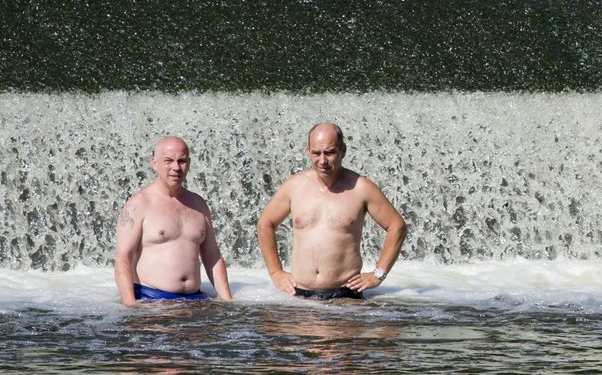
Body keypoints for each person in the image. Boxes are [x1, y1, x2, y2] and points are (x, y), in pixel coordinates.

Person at [257, 122, 407, 300]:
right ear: (308, 150)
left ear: (343, 150)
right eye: (316, 153)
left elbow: (397, 226)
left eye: (329, 152)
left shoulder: (361, 187)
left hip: (345, 298)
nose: (322, 161)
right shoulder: (294, 186)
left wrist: (378, 274)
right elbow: (265, 223)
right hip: (298, 298)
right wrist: (276, 272)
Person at [114, 136, 233, 305]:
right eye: (168, 161)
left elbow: (212, 256)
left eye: (182, 161)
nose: (176, 167)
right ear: (154, 163)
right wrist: (130, 304)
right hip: (152, 302)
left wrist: (228, 301)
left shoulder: (198, 204)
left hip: (195, 301)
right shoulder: (139, 204)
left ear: (189, 164)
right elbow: (123, 257)